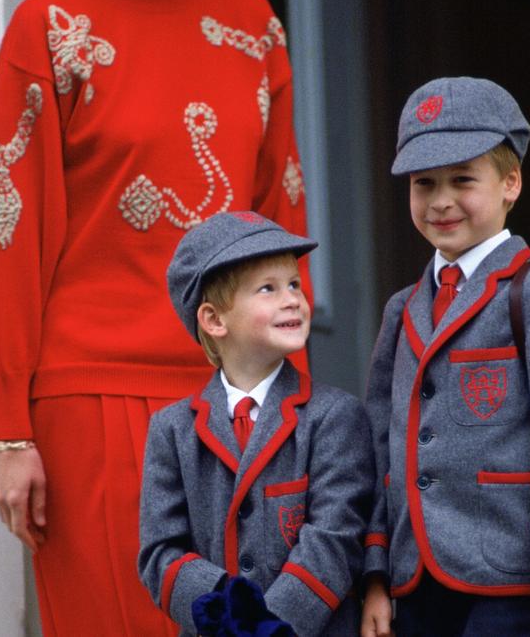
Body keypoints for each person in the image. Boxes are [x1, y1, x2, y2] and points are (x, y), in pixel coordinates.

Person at [0, 0, 310, 634]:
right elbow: (14, 235)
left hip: (230, 394)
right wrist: (12, 433)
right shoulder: (49, 30)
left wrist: (297, 396)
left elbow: (283, 222)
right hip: (89, 401)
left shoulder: (253, 27)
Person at [360, 77, 530, 637]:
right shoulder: (401, 309)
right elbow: (379, 446)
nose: (441, 200)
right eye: (423, 183)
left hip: (518, 579)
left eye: (462, 179)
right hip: (417, 583)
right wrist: (376, 574)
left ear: (510, 182)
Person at [139, 211, 373, 636]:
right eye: (268, 288)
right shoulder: (170, 431)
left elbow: (334, 538)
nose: (292, 299)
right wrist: (228, 614)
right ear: (214, 320)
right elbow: (160, 553)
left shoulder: (336, 417)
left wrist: (268, 625)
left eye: (294, 284)